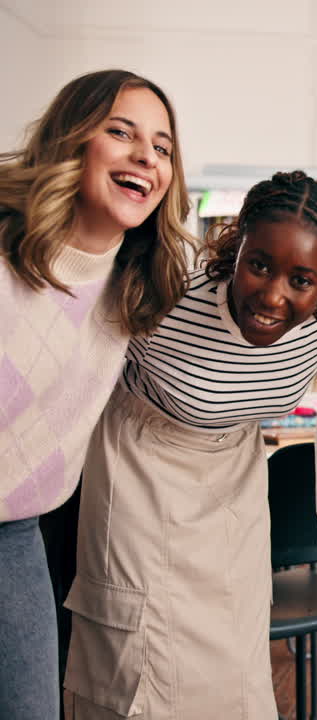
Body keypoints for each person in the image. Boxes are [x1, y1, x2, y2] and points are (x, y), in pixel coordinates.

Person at [63, 170, 317, 720]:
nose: (272, 295)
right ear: (236, 243)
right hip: (139, 460)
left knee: (233, 657)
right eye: (259, 264)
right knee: (138, 653)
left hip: (233, 476)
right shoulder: (168, 292)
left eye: (301, 280)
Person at [0, 69, 193, 720]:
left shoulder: (139, 288)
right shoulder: (6, 257)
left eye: (163, 146)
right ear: (74, 140)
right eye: (122, 133)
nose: (146, 156)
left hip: (14, 535)